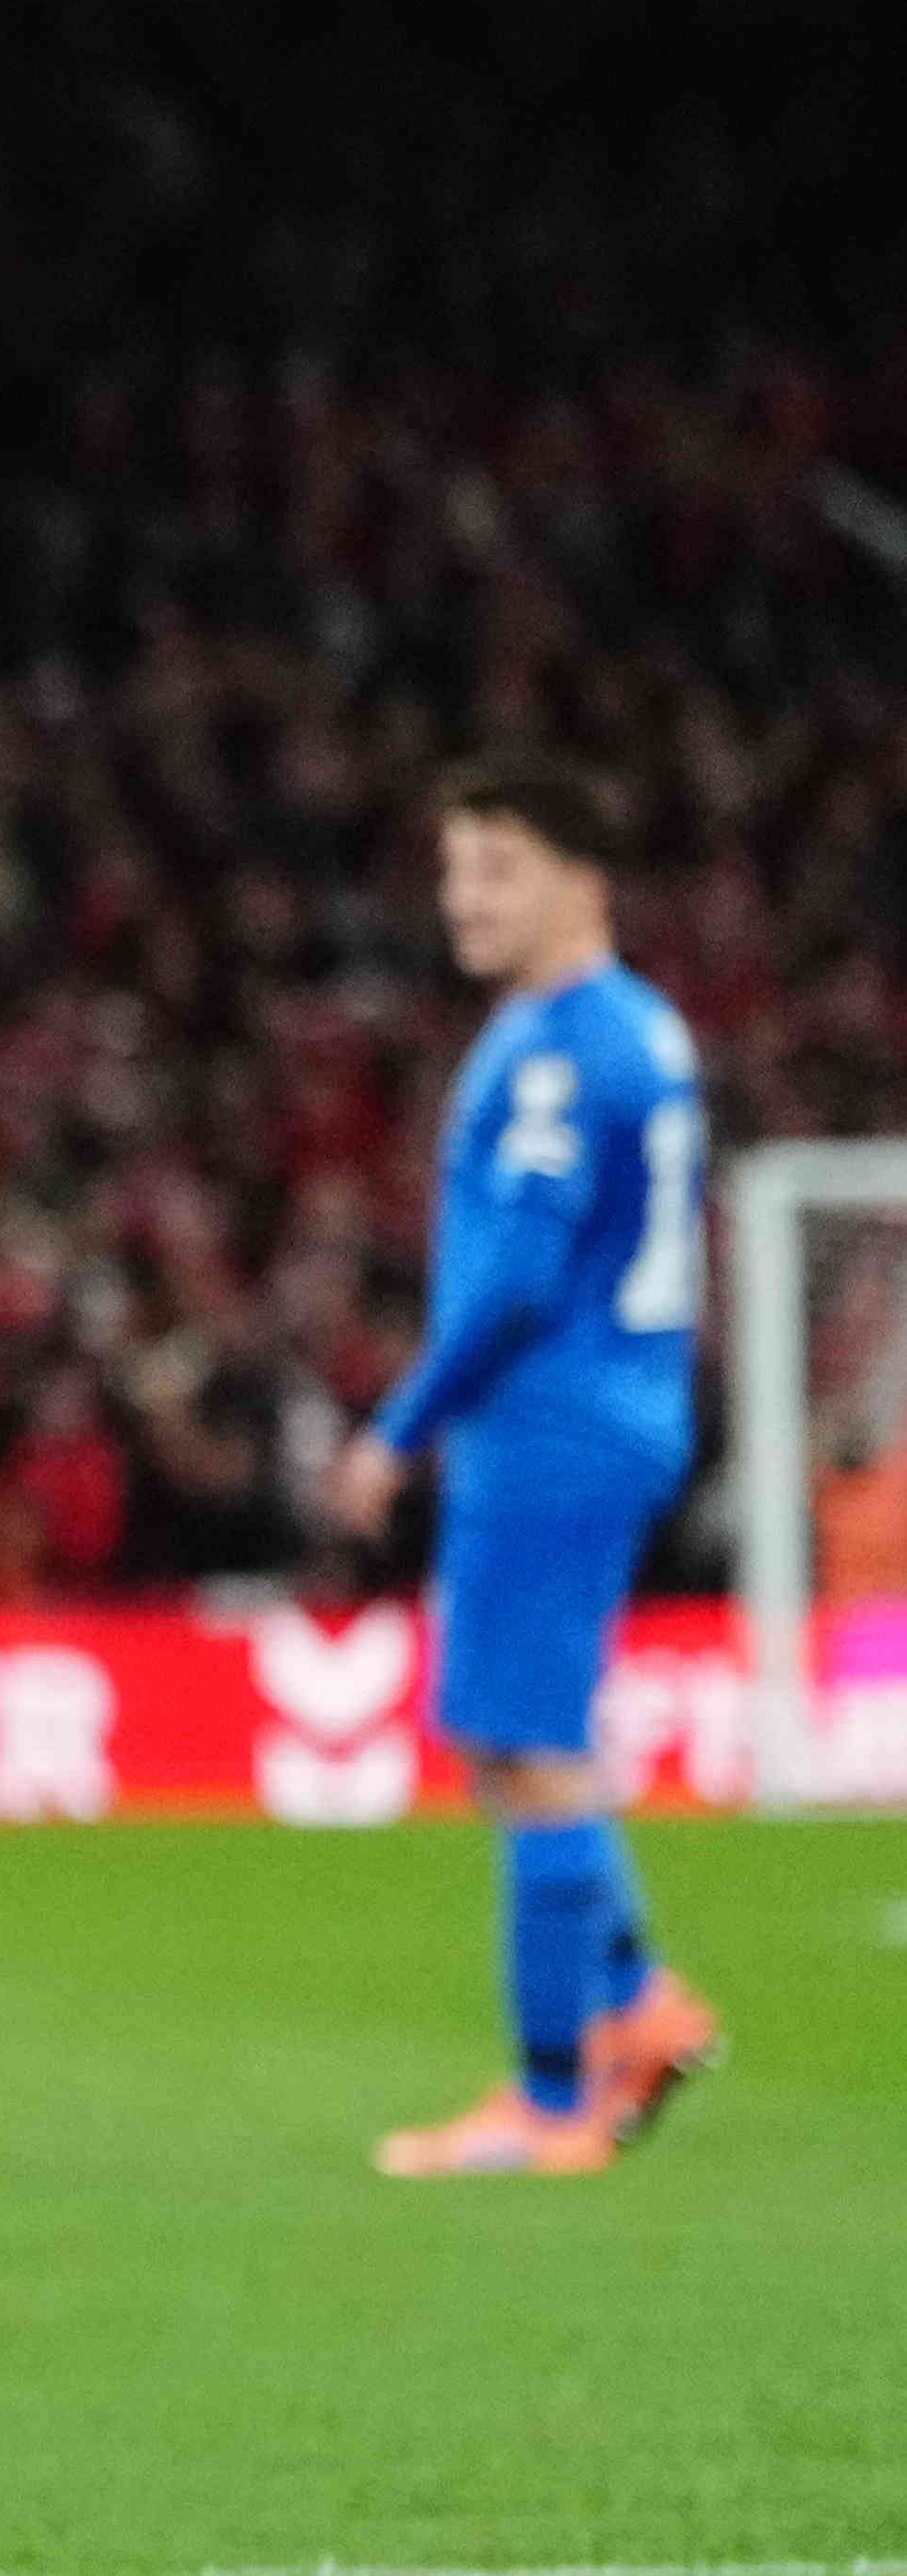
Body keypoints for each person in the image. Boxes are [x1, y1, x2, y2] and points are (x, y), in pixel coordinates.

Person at [326, 756, 730, 2176]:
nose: (465, 898)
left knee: (533, 1747)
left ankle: (555, 2098)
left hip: (554, 1417)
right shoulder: (642, 1028)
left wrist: (398, 1426)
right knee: (510, 1738)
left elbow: (512, 1277)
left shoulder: (564, 1045)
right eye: (453, 869)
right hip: (614, 1403)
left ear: (584, 878)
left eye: (498, 867)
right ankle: (638, 2002)